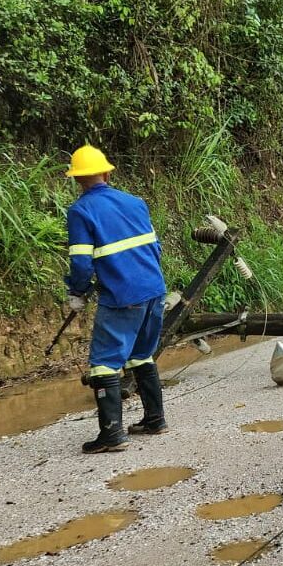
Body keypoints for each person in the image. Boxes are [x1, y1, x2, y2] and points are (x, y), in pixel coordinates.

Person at [63, 144, 169, 454]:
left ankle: (111, 435)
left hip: (123, 296)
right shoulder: (135, 202)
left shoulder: (80, 211)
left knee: (104, 364)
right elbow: (155, 247)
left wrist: (77, 292)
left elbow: (81, 262)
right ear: (107, 172)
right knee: (141, 355)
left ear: (76, 179)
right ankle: (155, 419)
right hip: (154, 289)